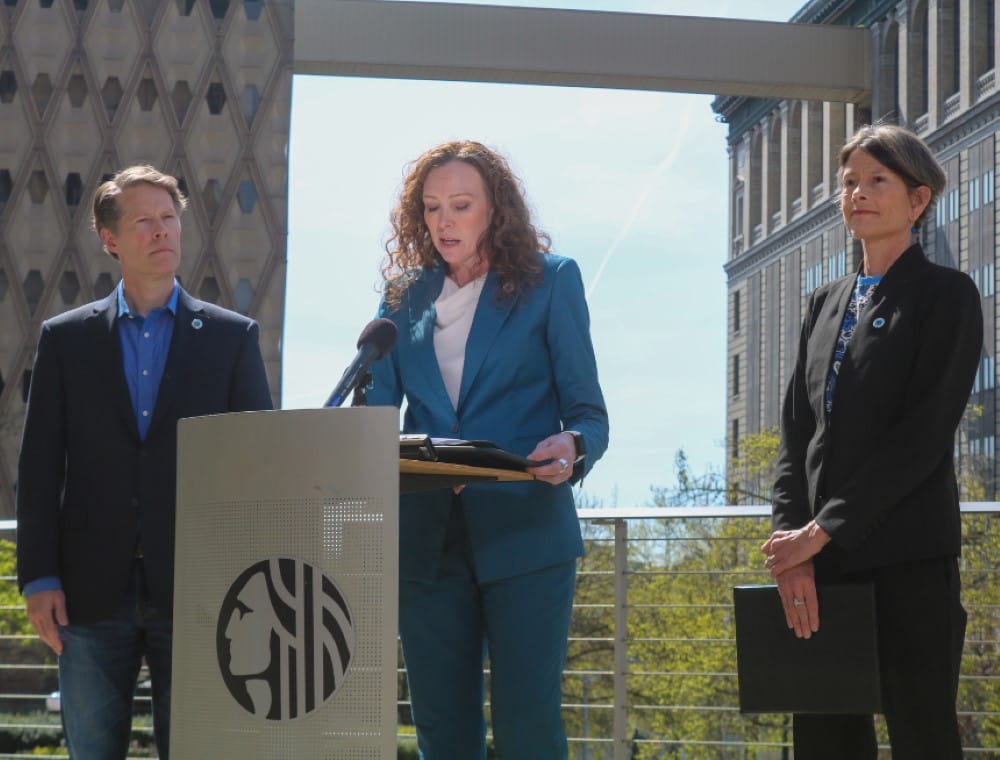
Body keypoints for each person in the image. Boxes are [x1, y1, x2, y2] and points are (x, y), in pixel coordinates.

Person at [16, 165, 273, 759]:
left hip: (202, 591)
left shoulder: (232, 338)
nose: (162, 232)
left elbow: (257, 468)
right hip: (85, 593)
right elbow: (39, 469)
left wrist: (252, 584)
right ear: (110, 240)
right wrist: (40, 577)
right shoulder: (66, 339)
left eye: (169, 219)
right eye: (143, 222)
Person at [366, 140, 609, 759]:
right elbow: (371, 421)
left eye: (461, 205)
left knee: (528, 730)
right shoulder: (402, 299)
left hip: (526, 538)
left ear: (494, 208)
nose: (444, 222)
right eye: (432, 207)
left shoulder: (553, 283)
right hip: (427, 546)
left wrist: (573, 445)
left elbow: (589, 414)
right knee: (442, 735)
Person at [761, 124, 982, 759]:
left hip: (910, 559)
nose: (858, 193)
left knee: (923, 736)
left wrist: (821, 529)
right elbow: (794, 437)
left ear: (918, 200)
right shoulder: (822, 303)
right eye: (849, 182)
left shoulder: (948, 296)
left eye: (876, 180)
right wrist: (792, 546)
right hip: (819, 569)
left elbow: (923, 436)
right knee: (826, 741)